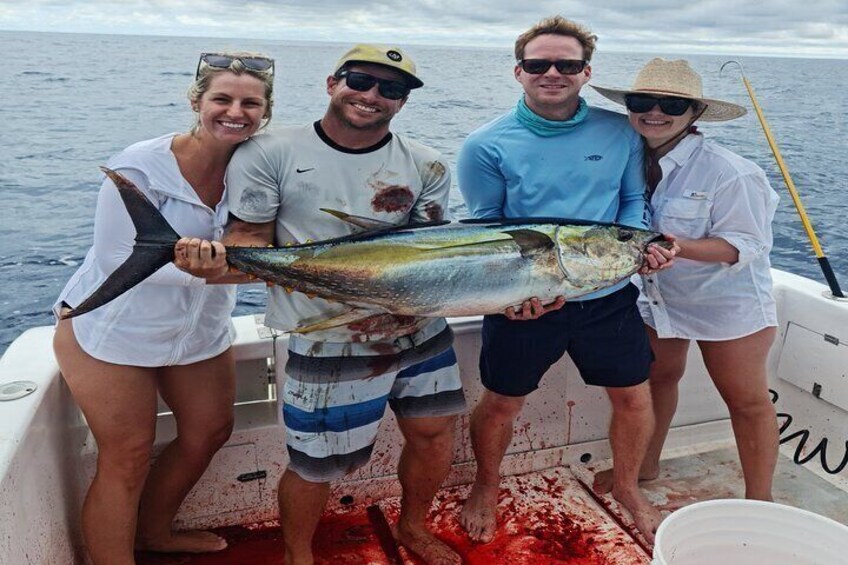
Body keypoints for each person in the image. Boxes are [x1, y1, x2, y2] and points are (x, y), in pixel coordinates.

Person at [175, 44, 466, 565]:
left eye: (391, 89)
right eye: (360, 80)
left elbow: (431, 255)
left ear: (402, 102)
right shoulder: (268, 152)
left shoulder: (427, 163)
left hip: (421, 329)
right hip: (327, 331)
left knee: (434, 431)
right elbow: (250, 240)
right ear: (332, 83)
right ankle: (297, 555)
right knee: (318, 464)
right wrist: (211, 264)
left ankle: (412, 527)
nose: (372, 95)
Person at [456, 16, 675, 544]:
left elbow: (629, 202)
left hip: (606, 295)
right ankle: (486, 485)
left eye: (567, 64)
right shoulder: (485, 145)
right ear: (519, 71)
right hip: (527, 299)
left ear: (585, 72)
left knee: (633, 396)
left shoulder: (619, 130)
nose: (552, 73)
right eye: (538, 64)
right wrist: (510, 298)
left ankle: (626, 486)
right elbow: (489, 234)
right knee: (503, 401)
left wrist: (640, 246)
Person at [51, 52, 274, 564]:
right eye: (222, 98)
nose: (234, 111)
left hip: (199, 334)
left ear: (265, 111)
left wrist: (229, 267)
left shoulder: (261, 168)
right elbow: (114, 257)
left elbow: (263, 246)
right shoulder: (139, 166)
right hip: (110, 330)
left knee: (209, 432)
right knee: (126, 456)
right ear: (197, 101)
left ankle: (154, 531)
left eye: (250, 102)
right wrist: (218, 268)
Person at [591, 58, 780, 500]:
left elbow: (745, 245)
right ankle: (645, 466)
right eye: (642, 101)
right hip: (659, 298)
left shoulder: (731, 171)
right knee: (657, 379)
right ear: (629, 107)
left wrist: (677, 247)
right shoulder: (626, 158)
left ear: (694, 113)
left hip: (727, 302)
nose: (655, 111)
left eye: (672, 104)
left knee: (746, 401)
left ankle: (761, 500)